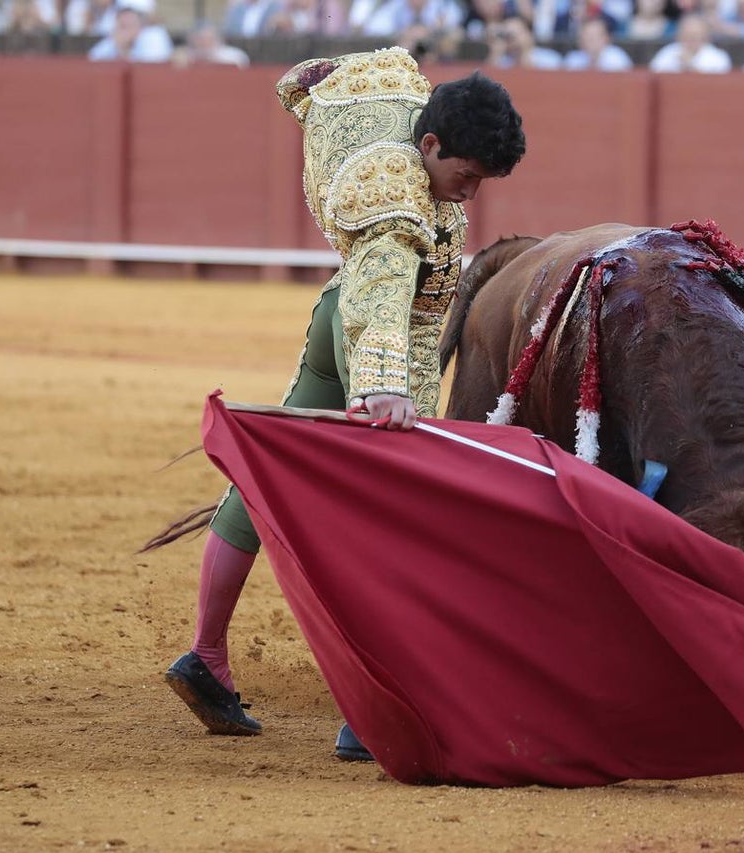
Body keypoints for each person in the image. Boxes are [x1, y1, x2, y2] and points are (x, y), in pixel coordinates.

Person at [162, 49, 526, 754]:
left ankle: (205, 654)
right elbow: (386, 286)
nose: (471, 193)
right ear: (430, 144)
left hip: (336, 317)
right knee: (392, 520)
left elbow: (315, 78)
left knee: (262, 480)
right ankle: (369, 710)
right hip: (378, 341)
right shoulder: (395, 196)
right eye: (467, 175)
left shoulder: (398, 122)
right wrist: (384, 381)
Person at [87, 0, 172, 61]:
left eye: (130, 23)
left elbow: (153, 67)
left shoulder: (155, 36)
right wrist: (120, 47)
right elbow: (93, 58)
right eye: (123, 25)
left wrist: (125, 50)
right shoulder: (111, 41)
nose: (126, 18)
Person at [649, 12, 732, 72]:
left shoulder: (718, 57)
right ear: (679, 36)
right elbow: (654, 74)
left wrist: (690, 67)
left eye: (695, 35)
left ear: (705, 37)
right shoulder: (668, 53)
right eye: (687, 35)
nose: (691, 39)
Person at [487, 14, 563, 67]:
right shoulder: (503, 62)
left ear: (529, 34)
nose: (513, 39)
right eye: (508, 36)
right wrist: (496, 52)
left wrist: (524, 54)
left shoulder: (550, 59)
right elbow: (488, 80)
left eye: (517, 33)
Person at [563, 15, 634, 69]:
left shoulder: (617, 59)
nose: (591, 41)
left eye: (595, 36)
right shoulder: (573, 60)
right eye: (587, 36)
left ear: (606, 38)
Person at [172, 21, 250, 66]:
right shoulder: (187, 54)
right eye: (199, 39)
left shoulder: (234, 56)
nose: (204, 43)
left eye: (208, 39)